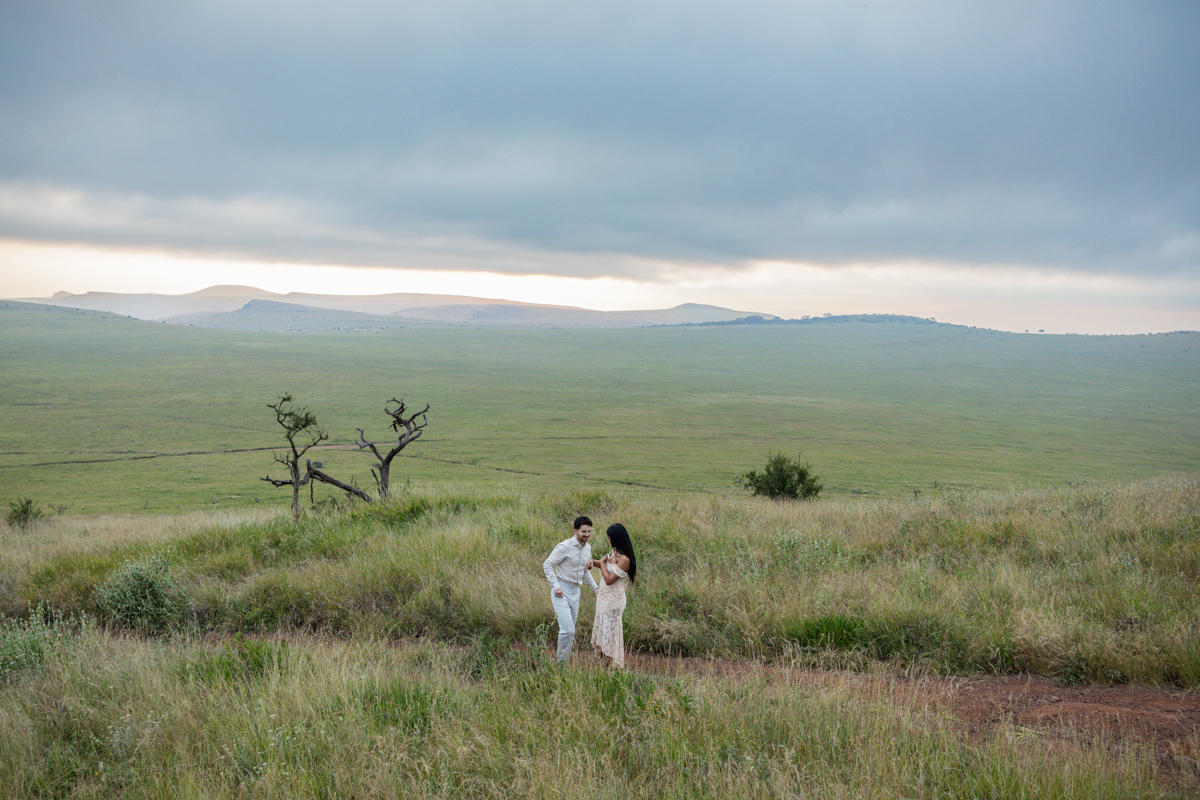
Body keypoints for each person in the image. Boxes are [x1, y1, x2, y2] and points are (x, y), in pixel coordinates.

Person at [542, 515, 599, 662]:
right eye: (584, 532)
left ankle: (564, 662)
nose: (587, 535)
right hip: (561, 590)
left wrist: (595, 588)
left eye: (589, 532)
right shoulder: (564, 546)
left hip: (576, 591)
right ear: (575, 531)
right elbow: (547, 564)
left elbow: (585, 572)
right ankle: (561, 662)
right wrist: (556, 587)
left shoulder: (588, 549)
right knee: (567, 630)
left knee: (570, 631)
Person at [589, 522, 637, 670]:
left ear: (616, 538)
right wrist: (592, 562)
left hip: (614, 601)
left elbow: (609, 579)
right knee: (603, 630)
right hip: (604, 599)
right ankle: (604, 665)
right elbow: (605, 565)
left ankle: (610, 666)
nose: (608, 540)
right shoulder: (615, 551)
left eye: (609, 538)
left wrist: (602, 563)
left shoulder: (625, 559)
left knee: (610, 633)